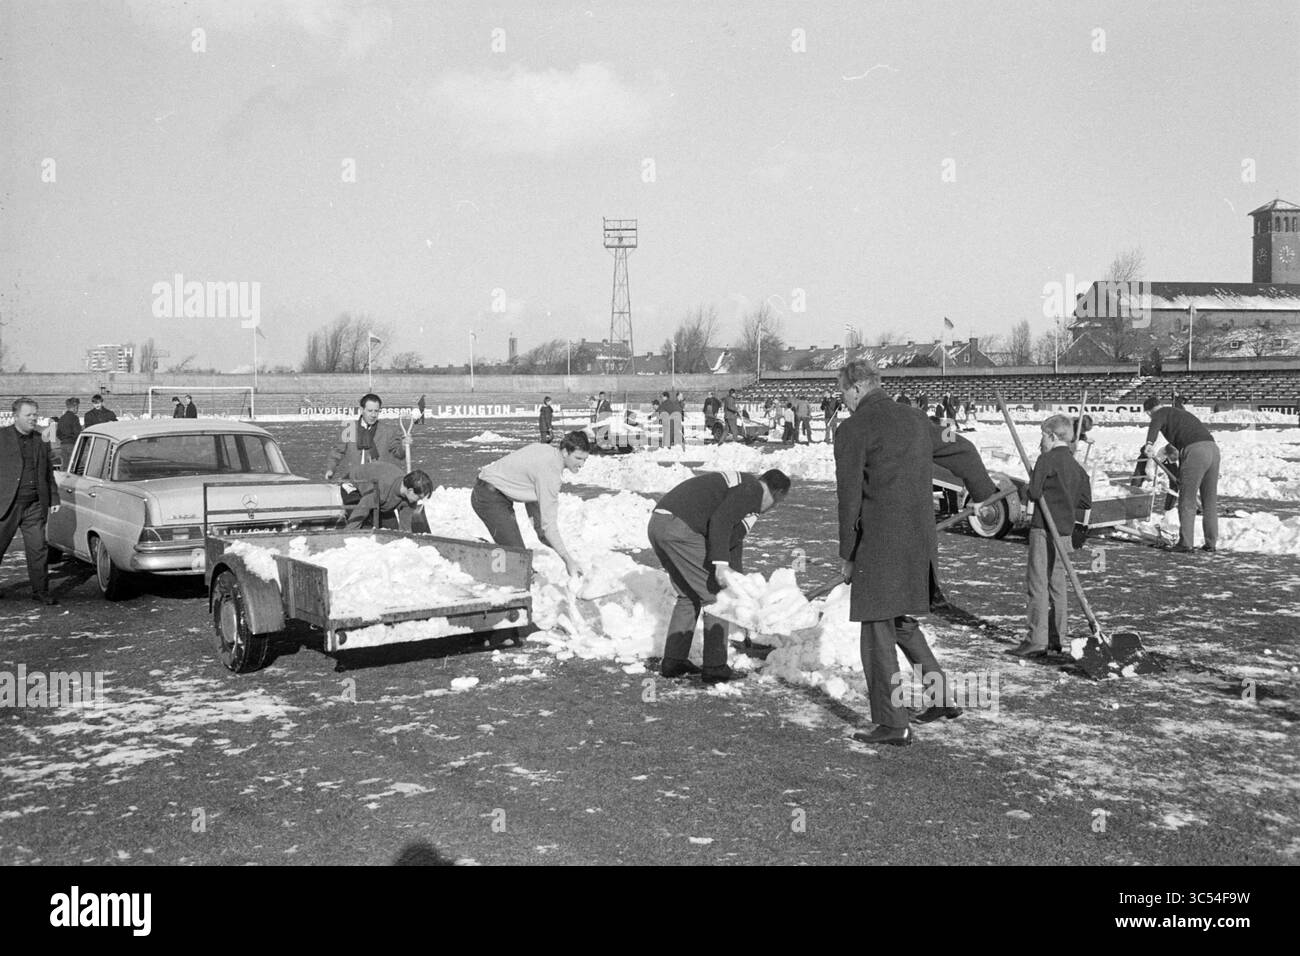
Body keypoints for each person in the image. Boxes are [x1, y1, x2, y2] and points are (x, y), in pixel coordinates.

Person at [833, 360, 996, 746]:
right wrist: (985, 493)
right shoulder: (915, 418)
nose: (842, 399)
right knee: (899, 621)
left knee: (876, 628)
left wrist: (847, 553)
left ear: (856, 388)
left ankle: (892, 723)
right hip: (919, 542)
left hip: (880, 543)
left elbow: (849, 497)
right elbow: (964, 448)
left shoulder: (852, 428)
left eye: (842, 391)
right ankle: (940, 699)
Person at [649, 468, 791, 682]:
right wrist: (721, 566)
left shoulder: (742, 492)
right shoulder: (753, 489)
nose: (773, 508)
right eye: (777, 502)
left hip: (660, 524)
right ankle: (715, 667)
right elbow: (721, 521)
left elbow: (731, 540)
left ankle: (673, 661)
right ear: (776, 492)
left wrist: (738, 584)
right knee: (715, 597)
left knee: (689, 595)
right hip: (680, 527)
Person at [1012, 415, 1092, 657]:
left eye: (1042, 436)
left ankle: (1036, 640)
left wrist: (1028, 488)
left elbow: (1034, 492)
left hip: (1044, 530)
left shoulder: (1046, 460)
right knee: (1057, 584)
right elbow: (1085, 501)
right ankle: (1056, 638)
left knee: (1038, 584)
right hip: (1065, 532)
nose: (1041, 442)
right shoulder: (1076, 467)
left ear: (1051, 436)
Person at [471, 430, 590, 579]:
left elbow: (538, 517)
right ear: (565, 452)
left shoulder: (547, 452)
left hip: (491, 493)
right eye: (578, 458)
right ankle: (479, 557)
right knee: (519, 562)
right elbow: (549, 525)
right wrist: (567, 559)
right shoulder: (550, 474)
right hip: (488, 496)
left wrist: (545, 536)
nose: (582, 464)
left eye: (585, 459)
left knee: (520, 560)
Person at [0, 398, 61, 605]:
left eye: (35, 414)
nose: (33, 418)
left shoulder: (41, 439)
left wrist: (53, 497)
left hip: (34, 505)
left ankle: (40, 591)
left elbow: (48, 472)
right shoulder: (2, 437)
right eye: (29, 415)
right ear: (15, 416)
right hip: (6, 505)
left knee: (38, 550)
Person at [1142, 395, 1219, 553]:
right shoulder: (1178, 412)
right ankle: (1211, 543)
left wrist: (1149, 443)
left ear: (1149, 412)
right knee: (1209, 501)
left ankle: (1185, 544)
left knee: (1187, 500)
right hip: (1213, 449)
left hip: (1195, 452)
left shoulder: (1159, 413)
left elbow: (1155, 425)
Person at [324, 393, 407, 481]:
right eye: (370, 411)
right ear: (361, 410)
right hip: (353, 479)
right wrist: (330, 469)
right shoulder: (350, 428)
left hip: (378, 481)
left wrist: (404, 446)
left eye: (376, 411)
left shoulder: (387, 431)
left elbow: (399, 455)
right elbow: (337, 452)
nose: (373, 415)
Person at [344, 462, 434, 532]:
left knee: (391, 531)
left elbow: (405, 527)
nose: (419, 500)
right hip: (353, 485)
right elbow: (362, 508)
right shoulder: (382, 488)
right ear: (410, 491)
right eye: (419, 497)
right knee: (365, 530)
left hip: (382, 501)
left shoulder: (409, 499)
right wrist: (348, 533)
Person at [55, 398, 82, 467]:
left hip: (63, 445)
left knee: (64, 465)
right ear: (75, 407)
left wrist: (64, 439)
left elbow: (58, 434)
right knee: (73, 466)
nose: (78, 409)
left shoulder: (61, 418)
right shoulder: (74, 418)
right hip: (72, 445)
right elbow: (77, 433)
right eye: (77, 407)